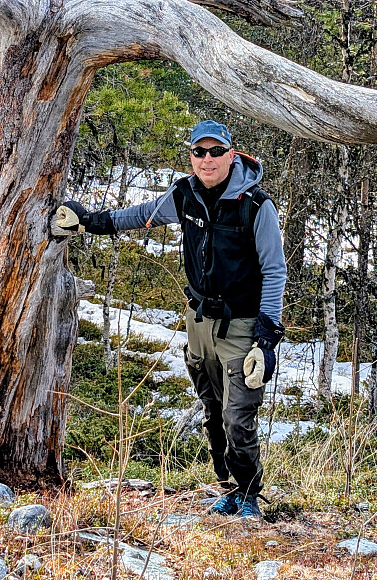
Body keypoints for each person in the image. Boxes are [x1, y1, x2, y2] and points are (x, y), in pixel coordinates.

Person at [52, 119, 286, 519]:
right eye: (199, 152)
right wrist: (90, 220)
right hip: (199, 322)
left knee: (238, 416)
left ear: (232, 155)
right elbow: (140, 215)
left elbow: (275, 270)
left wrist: (266, 341)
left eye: (215, 152)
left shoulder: (256, 206)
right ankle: (228, 488)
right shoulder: (184, 195)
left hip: (242, 327)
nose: (207, 160)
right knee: (212, 409)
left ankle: (248, 494)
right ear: (191, 156)